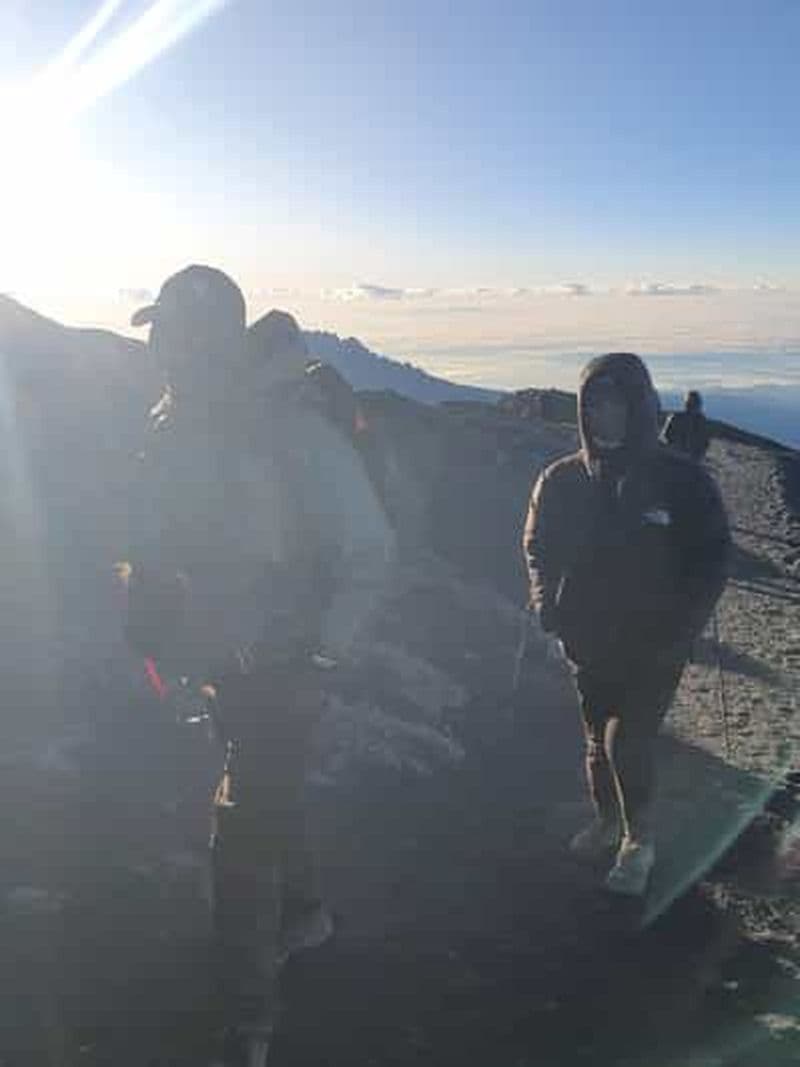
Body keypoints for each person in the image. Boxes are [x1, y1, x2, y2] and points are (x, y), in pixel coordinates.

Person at [121, 266, 396, 1064]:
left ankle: (245, 1020)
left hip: (283, 665)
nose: (160, 347)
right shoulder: (175, 420)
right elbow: (168, 535)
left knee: (240, 826)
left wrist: (321, 653)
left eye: (173, 333)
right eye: (158, 332)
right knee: (266, 792)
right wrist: (151, 608)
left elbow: (370, 550)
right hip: (225, 661)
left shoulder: (289, 432)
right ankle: (304, 914)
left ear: (210, 341)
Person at [522, 354, 729, 897]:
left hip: (656, 644)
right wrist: (546, 602)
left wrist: (681, 628)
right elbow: (537, 546)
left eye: (614, 404)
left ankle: (639, 842)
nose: (602, 415)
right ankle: (608, 823)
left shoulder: (683, 481)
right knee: (597, 737)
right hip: (586, 638)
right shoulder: (562, 480)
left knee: (626, 738)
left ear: (639, 407)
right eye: (592, 405)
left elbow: (711, 560)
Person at [662, 390, 711, 461]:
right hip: (685, 458)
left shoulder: (675, 418)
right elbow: (705, 443)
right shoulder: (701, 421)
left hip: (679, 456)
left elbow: (665, 437)